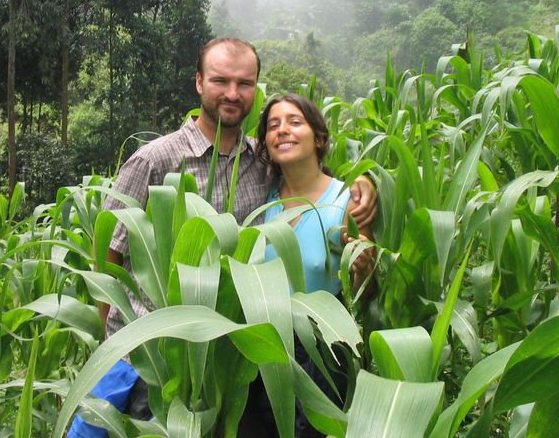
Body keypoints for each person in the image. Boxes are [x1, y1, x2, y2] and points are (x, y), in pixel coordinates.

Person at [69, 37, 377, 438]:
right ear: (199, 83)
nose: (232, 93)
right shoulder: (156, 159)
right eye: (220, 81)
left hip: (232, 363)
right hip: (160, 358)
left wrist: (364, 184)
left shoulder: (260, 162)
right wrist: (118, 339)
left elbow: (313, 178)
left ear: (254, 89)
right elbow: (108, 253)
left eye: (244, 83)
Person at [249, 93, 377, 438]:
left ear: (318, 137)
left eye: (294, 122)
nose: (282, 131)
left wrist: (364, 268)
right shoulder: (262, 201)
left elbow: (365, 294)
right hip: (264, 350)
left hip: (321, 354)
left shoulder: (345, 201)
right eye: (272, 126)